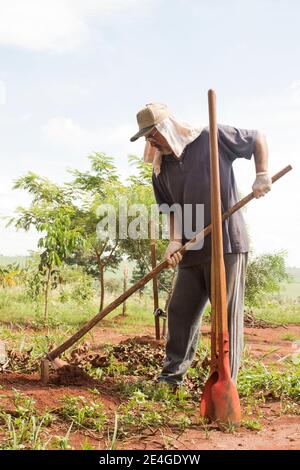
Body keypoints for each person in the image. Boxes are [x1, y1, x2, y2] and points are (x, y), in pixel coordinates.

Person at [130, 102, 271, 386]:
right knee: (179, 309)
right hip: (191, 249)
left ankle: (225, 382)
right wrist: (174, 242)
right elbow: (170, 210)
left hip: (227, 242)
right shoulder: (161, 169)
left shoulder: (209, 137)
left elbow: (257, 137)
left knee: (225, 315)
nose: (150, 140)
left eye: (152, 133)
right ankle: (171, 378)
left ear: (167, 127)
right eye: (146, 137)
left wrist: (262, 173)